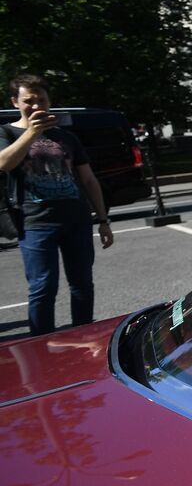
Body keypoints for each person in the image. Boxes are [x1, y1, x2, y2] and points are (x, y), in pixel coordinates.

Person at [2, 74, 114, 334]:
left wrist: (103, 220)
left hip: (76, 220)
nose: (36, 105)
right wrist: (32, 132)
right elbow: (4, 164)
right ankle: (39, 344)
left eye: (41, 99)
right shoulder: (6, 132)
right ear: (15, 102)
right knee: (43, 286)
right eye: (29, 100)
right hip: (35, 222)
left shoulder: (66, 137)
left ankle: (84, 334)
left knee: (82, 283)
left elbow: (88, 179)